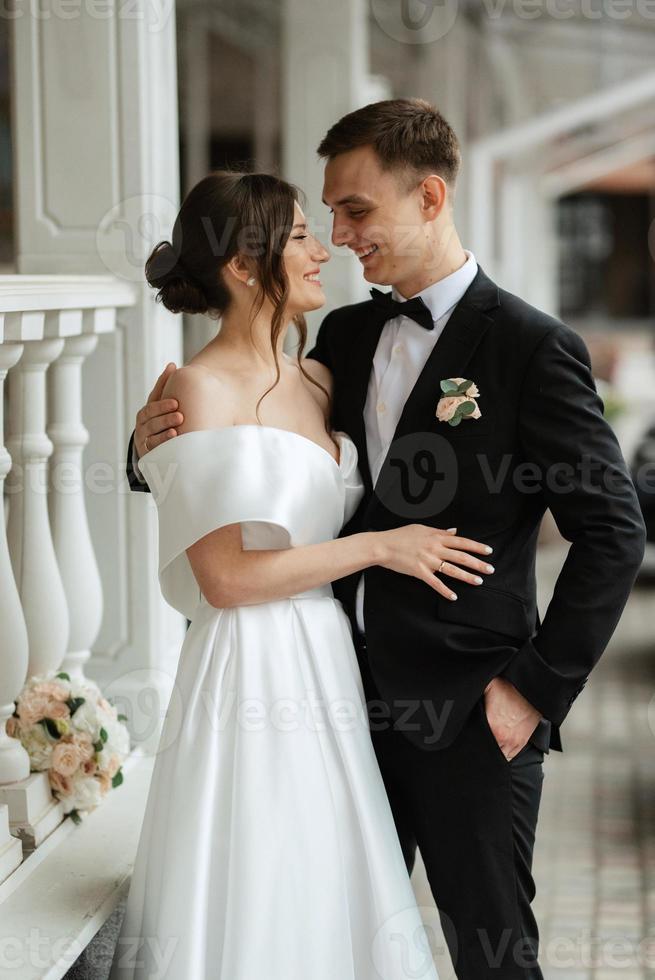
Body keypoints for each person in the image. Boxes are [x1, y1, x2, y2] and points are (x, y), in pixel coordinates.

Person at [125, 102, 646, 978]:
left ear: (430, 196)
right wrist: (143, 445)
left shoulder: (530, 348)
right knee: (332, 937)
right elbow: (248, 445)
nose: (336, 234)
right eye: (324, 214)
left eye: (355, 211)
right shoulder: (349, 334)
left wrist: (531, 693)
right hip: (325, 704)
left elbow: (612, 534)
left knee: (492, 954)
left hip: (468, 715)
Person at [112, 170, 496, 979]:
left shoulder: (322, 380)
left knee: (328, 868)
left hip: (327, 661)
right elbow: (223, 578)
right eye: (297, 237)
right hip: (247, 661)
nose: (323, 249)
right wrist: (381, 547)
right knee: (258, 865)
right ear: (244, 266)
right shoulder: (196, 388)